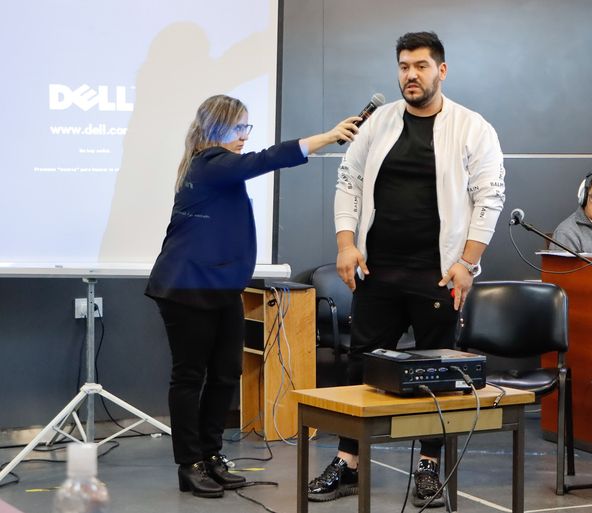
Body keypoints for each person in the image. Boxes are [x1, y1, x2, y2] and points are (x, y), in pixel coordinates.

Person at [308, 32, 506, 507]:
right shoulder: (378, 123)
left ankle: (428, 468)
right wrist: (346, 243)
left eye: (420, 66)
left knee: (438, 368)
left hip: (437, 273)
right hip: (377, 270)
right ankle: (348, 463)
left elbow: (490, 198)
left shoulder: (472, 127)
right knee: (362, 364)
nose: (410, 75)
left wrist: (467, 263)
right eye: (402, 66)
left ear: (442, 70)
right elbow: (348, 180)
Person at [145, 94, 359, 499]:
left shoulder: (218, 167)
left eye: (248, 128)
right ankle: (189, 463)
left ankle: (210, 456)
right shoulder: (210, 163)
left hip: (221, 288)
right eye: (238, 128)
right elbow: (265, 159)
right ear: (215, 128)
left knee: (226, 371)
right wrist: (327, 137)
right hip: (185, 288)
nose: (245, 136)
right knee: (190, 376)